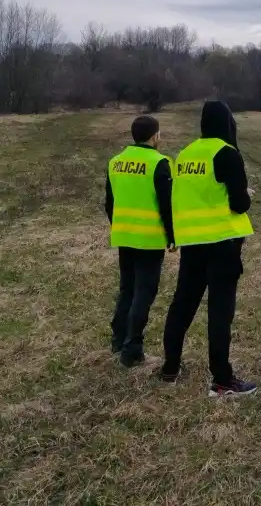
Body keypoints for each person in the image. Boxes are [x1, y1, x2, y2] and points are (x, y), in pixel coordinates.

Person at [159, 100, 256, 397]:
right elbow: (239, 204)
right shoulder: (227, 154)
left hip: (193, 244)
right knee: (219, 312)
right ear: (228, 123)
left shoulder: (185, 154)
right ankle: (222, 380)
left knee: (182, 305)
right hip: (223, 243)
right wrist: (247, 194)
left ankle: (170, 368)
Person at [104, 115, 174, 367]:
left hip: (124, 235)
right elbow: (168, 206)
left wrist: (120, 226)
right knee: (144, 292)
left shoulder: (116, 162)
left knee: (128, 289)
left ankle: (118, 338)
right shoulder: (160, 163)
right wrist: (172, 236)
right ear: (155, 136)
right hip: (149, 239)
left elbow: (109, 203)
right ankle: (132, 349)